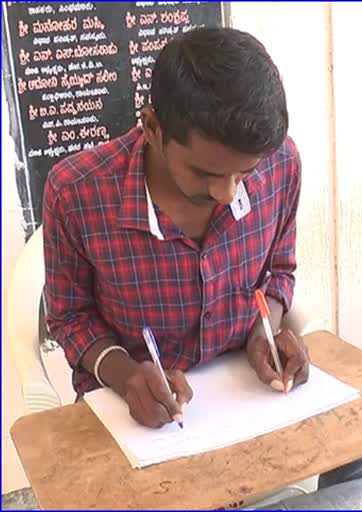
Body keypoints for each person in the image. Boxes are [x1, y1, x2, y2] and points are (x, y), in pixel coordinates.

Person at [43, 27, 305, 428]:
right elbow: (71, 317)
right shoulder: (76, 194)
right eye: (204, 173)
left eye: (244, 173)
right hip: (132, 412)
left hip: (245, 399)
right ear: (152, 128)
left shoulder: (280, 164)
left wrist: (263, 333)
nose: (225, 192)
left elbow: (278, 273)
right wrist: (128, 375)